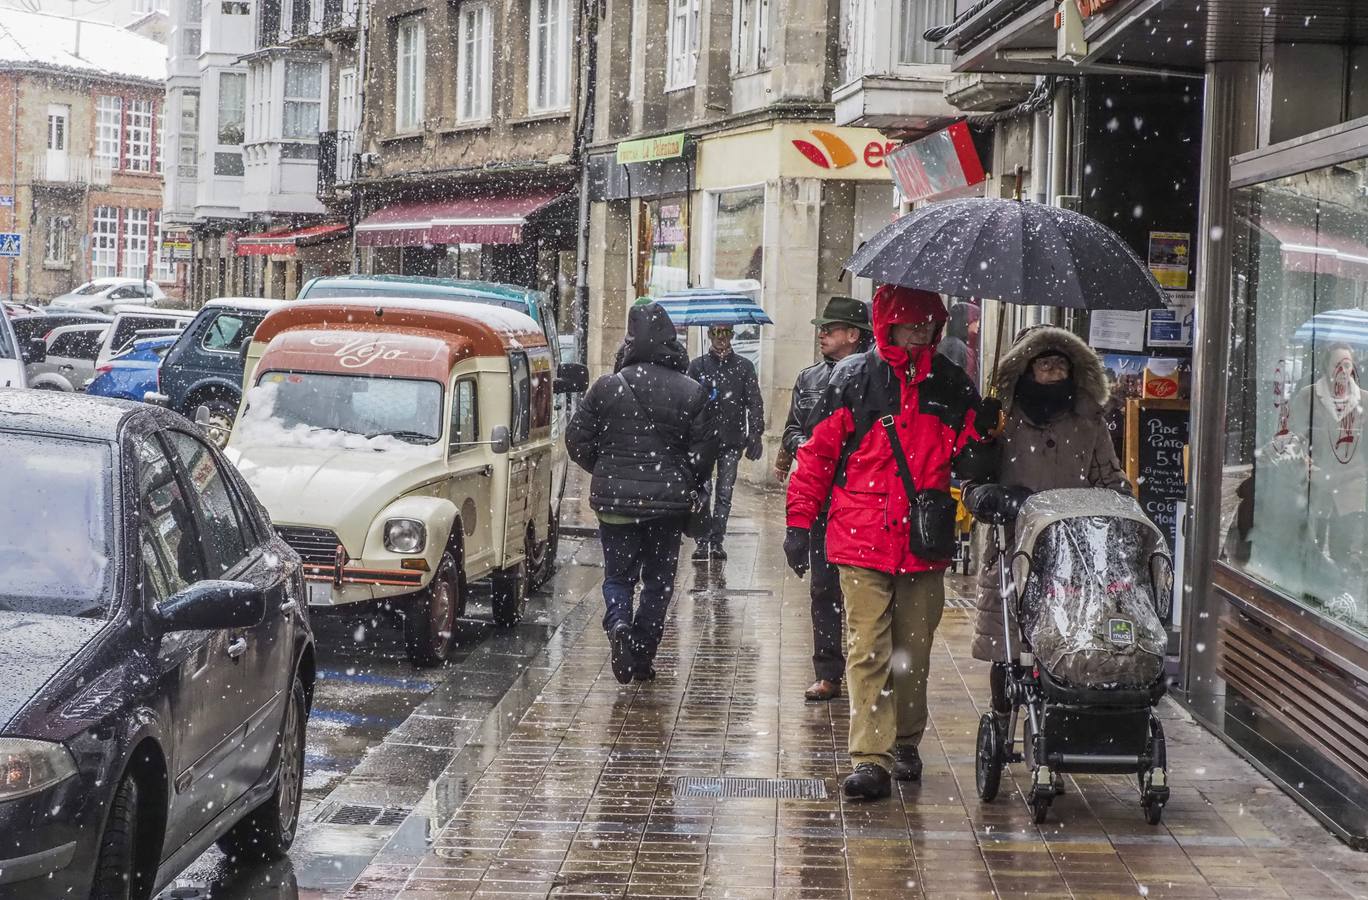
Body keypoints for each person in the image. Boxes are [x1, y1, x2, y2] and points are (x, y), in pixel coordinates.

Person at [784, 285, 994, 801]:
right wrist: (798, 522)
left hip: (923, 540)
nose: (921, 333)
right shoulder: (853, 380)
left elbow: (969, 461)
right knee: (867, 647)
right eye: (911, 324)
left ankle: (905, 739)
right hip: (860, 537)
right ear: (888, 325)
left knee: (912, 651)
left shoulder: (951, 385)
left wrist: (985, 440)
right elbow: (817, 457)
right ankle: (870, 757)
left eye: (928, 325)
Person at [962, 325, 1128, 723]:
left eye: (1060, 365)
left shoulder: (1089, 421)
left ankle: (1055, 720)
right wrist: (981, 441)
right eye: (1043, 364)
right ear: (1026, 369)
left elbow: (1110, 479)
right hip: (1012, 545)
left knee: (1065, 640)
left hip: (1073, 551)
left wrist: (1120, 508)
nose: (1053, 373)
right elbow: (971, 481)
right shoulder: (1004, 417)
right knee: (1006, 647)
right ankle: (1002, 718)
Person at [566, 302, 719, 684]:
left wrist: (605, 469)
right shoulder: (692, 392)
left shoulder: (607, 386)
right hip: (666, 507)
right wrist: (684, 479)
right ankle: (642, 655)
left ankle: (618, 623)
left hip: (615, 503)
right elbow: (705, 452)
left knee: (618, 576)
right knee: (658, 582)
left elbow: (575, 440)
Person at [776, 296, 873, 703]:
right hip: (821, 495)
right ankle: (828, 672)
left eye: (829, 329)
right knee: (824, 589)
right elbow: (791, 430)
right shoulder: (809, 378)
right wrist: (807, 446)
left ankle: (868, 670)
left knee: (866, 592)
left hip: (863, 497)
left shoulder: (876, 378)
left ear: (853, 335)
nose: (822, 335)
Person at [688, 324, 764, 561]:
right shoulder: (698, 366)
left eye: (726, 333)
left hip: (732, 439)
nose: (722, 338)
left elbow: (754, 402)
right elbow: (687, 403)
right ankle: (702, 541)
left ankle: (716, 540)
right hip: (703, 440)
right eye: (717, 333)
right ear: (710, 335)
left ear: (732, 335)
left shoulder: (744, 367)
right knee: (703, 491)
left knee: (724, 493)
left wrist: (756, 433)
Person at [937, 300, 981, 384]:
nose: (978, 325)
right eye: (975, 319)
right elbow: (953, 378)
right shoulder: (955, 346)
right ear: (966, 321)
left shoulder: (954, 344)